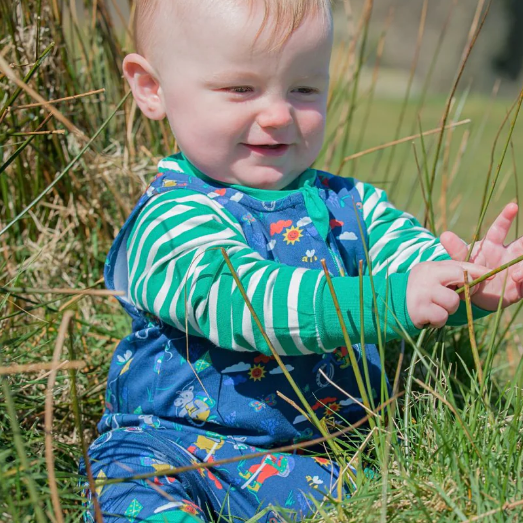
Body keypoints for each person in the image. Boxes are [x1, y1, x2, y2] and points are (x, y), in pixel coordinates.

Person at [80, 1, 523, 521]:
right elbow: (245, 302)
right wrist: (390, 299)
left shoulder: (354, 206)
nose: (278, 114)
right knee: (134, 501)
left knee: (370, 502)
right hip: (173, 451)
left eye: (304, 89)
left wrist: (468, 286)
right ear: (151, 88)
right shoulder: (170, 218)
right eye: (240, 88)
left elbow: (414, 277)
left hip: (314, 457)